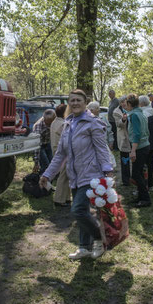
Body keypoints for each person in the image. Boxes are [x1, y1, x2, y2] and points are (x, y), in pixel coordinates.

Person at [40, 89, 113, 260]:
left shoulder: (93, 123)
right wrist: (47, 175)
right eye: (71, 100)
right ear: (68, 103)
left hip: (91, 175)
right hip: (75, 176)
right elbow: (60, 154)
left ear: (85, 102)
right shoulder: (68, 124)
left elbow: (102, 150)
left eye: (78, 100)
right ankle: (84, 248)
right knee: (84, 212)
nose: (74, 103)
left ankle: (99, 237)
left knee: (78, 210)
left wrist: (108, 172)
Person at [125, 93, 152, 207]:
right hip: (145, 145)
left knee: (136, 174)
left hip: (140, 147)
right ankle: (140, 197)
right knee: (139, 173)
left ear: (130, 104)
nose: (125, 106)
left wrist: (133, 151)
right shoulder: (141, 113)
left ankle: (146, 199)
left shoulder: (134, 116)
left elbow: (136, 134)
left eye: (126, 104)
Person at [51, 104, 71, 207]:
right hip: (62, 153)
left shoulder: (55, 122)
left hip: (56, 151)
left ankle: (66, 197)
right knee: (63, 176)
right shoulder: (62, 124)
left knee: (66, 175)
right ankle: (59, 199)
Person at [139, 95, 153, 190]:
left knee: (143, 166)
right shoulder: (152, 112)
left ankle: (145, 185)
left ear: (141, 103)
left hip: (145, 143)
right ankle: (150, 184)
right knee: (150, 165)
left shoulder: (144, 114)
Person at [33, 109, 56, 174]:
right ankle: (41, 180)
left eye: (52, 123)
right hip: (40, 146)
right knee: (45, 165)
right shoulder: (38, 126)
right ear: (44, 119)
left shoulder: (55, 121)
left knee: (52, 162)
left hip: (48, 143)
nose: (50, 125)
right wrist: (36, 162)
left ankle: (50, 179)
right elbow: (36, 146)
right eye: (48, 123)